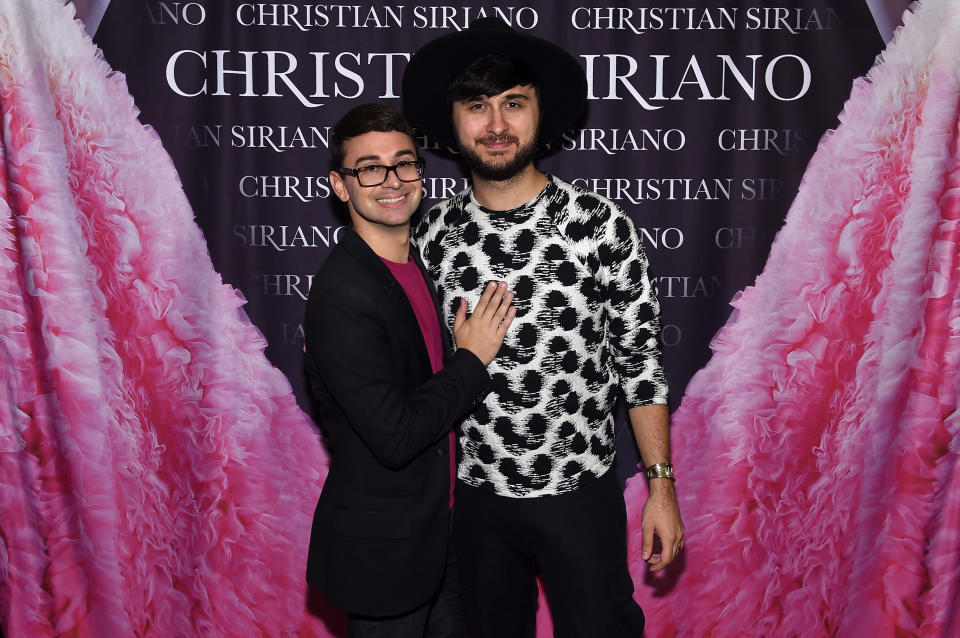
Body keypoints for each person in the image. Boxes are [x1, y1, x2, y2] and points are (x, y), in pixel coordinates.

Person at [403, 18, 685, 638]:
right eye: (477, 106)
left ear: (539, 113)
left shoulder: (600, 226)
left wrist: (661, 486)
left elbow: (641, 367)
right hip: (473, 500)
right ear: (452, 121)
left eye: (513, 104)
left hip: (580, 493)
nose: (496, 125)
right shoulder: (429, 235)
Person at [303, 103, 516, 638]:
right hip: (387, 555)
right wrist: (473, 359)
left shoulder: (414, 264)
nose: (391, 181)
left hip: (441, 536)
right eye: (370, 168)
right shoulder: (343, 294)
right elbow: (395, 436)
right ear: (340, 185)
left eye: (404, 163)